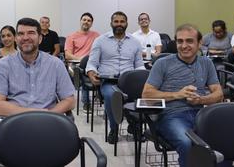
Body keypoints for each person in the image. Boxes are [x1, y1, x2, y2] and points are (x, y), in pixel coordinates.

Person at [142, 24, 223, 167]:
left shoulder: (206, 63)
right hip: (171, 116)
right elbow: (147, 95)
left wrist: (201, 100)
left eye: (189, 41)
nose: (184, 45)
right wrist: (177, 94)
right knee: (187, 143)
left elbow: (218, 94)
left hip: (201, 114)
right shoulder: (162, 63)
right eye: (180, 41)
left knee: (223, 139)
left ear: (199, 43)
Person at [0, 18, 75, 116]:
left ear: (40, 39)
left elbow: (70, 100)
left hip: (47, 122)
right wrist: (35, 114)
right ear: (16, 39)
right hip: (14, 123)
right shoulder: (3, 65)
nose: (25, 37)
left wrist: (49, 115)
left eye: (31, 33)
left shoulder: (55, 64)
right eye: (21, 34)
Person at [86, 11, 144, 143]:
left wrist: (143, 79)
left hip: (129, 81)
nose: (119, 24)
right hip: (108, 81)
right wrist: (91, 74)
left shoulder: (135, 42)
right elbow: (92, 63)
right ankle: (114, 128)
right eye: (116, 21)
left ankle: (134, 126)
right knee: (112, 96)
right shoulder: (100, 41)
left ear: (126, 24)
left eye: (122, 21)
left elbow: (139, 65)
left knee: (141, 95)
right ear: (111, 23)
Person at [65, 12, 100, 111]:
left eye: (89, 21)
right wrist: (82, 59)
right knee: (84, 71)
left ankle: (101, 97)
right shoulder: (71, 36)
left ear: (91, 23)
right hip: (76, 64)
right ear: (80, 21)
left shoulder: (96, 35)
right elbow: (67, 55)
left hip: (93, 63)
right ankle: (86, 102)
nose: (86, 22)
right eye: (84, 20)